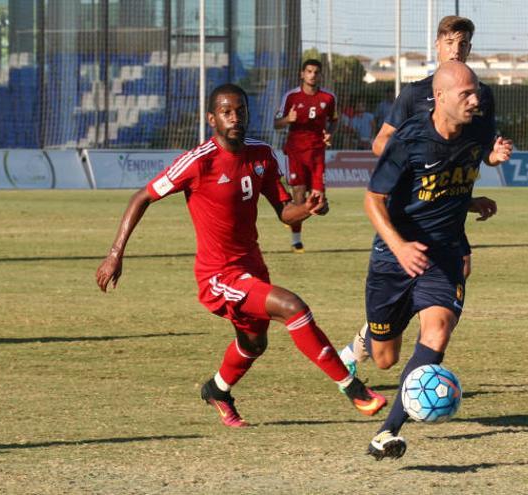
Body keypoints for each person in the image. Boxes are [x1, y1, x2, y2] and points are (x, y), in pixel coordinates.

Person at [96, 83, 385, 428]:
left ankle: (217, 390)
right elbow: (141, 197)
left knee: (253, 344)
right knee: (293, 307)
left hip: (251, 267)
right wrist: (115, 254)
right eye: (226, 112)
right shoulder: (198, 162)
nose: (235, 118)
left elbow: (283, 211)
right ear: (212, 118)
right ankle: (354, 390)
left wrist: (307, 208)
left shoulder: (261, 154)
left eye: (240, 111)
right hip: (218, 277)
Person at [362, 61, 513, 460]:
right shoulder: (409, 141)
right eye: (465, 94)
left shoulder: (478, 127)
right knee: (384, 358)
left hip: (445, 252)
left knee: (437, 332)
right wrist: (399, 247)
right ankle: (368, 336)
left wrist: (481, 180)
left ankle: (387, 431)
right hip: (394, 258)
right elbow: (373, 200)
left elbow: (463, 168)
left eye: (476, 91)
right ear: (440, 98)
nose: (475, 99)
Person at [338, 15, 500, 375]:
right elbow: (382, 142)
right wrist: (411, 159)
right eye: (450, 43)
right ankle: (376, 332)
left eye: (463, 44)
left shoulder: (480, 96)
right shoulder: (414, 94)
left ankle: (425, 344)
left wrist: (492, 157)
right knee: (385, 360)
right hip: (409, 212)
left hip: (446, 213)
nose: (456, 50)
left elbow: (477, 149)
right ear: (437, 46)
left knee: (461, 268)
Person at [274, 59, 338, 253]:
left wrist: (330, 133)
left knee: (320, 204)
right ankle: (296, 241)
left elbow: (334, 120)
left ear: (320, 75)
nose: (312, 75)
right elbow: (276, 124)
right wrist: (287, 119)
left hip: (317, 154)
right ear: (302, 74)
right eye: (309, 71)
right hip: (295, 152)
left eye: (316, 72)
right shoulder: (291, 97)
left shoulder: (328, 98)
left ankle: (291, 216)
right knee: (300, 197)